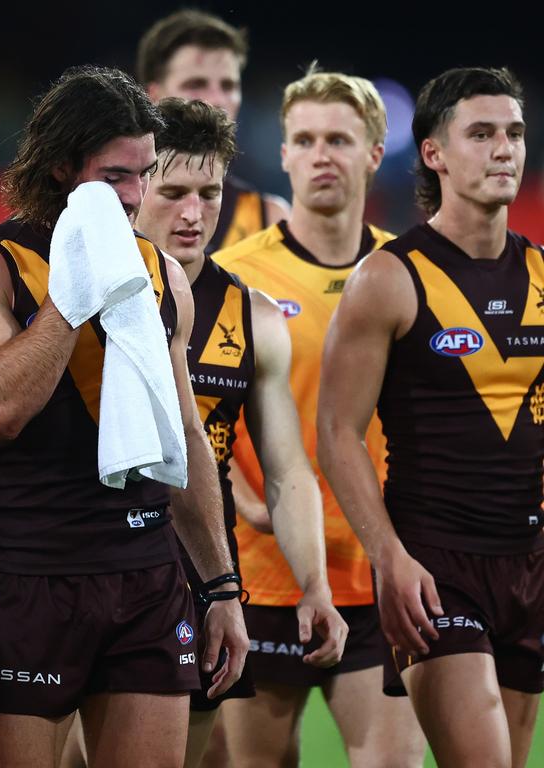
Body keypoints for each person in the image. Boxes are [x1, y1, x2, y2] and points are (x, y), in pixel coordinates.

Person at [0, 64, 248, 768]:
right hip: (31, 577)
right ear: (60, 169)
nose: (137, 196)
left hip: (146, 575)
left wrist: (222, 585)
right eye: (115, 177)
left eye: (144, 173)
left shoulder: (161, 274)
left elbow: (183, 439)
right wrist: (69, 299)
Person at [319, 66, 542, 768]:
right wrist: (388, 557)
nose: (504, 149)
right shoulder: (388, 278)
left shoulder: (543, 274)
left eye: (514, 133)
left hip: (528, 565)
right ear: (434, 154)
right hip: (435, 568)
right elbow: (337, 431)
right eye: (481, 133)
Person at [212, 69, 426, 767]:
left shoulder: (409, 274)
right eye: (304, 140)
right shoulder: (231, 278)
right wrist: (242, 501)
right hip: (263, 575)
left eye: (339, 138)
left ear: (374, 151)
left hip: (382, 571)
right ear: (283, 156)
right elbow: (198, 418)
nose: (320, 154)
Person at [134, 96, 346, 768]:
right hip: (83, 559)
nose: (194, 214)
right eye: (172, 192)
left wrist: (314, 584)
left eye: (210, 192)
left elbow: (286, 470)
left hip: (198, 576)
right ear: (134, 186)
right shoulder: (76, 297)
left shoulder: (252, 318)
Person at [136, 9, 289, 255]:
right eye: (196, 84)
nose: (216, 100)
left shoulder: (267, 220)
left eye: (228, 86)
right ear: (152, 96)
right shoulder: (116, 210)